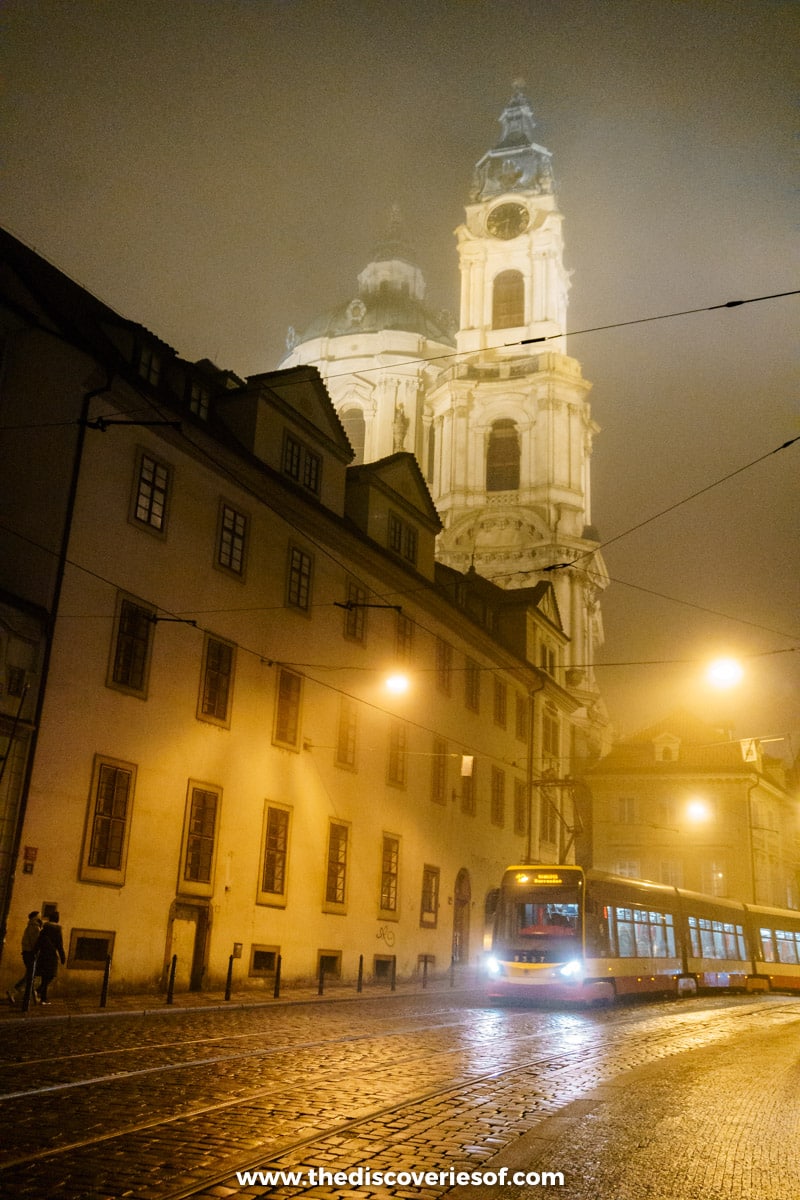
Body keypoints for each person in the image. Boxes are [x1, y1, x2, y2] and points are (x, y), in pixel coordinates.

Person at [6, 911, 41, 1005]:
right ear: (35, 917)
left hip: (26, 953)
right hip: (31, 954)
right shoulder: (35, 928)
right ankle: (13, 992)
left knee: (31, 976)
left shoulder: (28, 927)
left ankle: (33, 997)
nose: (40, 916)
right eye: (39, 915)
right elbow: (35, 943)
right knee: (30, 976)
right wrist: (37, 954)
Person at [35, 911, 66, 1004]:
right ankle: (38, 991)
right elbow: (60, 945)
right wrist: (62, 956)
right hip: (52, 956)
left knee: (45, 976)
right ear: (57, 919)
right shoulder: (57, 930)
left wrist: (35, 952)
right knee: (51, 975)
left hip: (43, 955)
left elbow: (39, 941)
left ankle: (43, 999)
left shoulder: (45, 929)